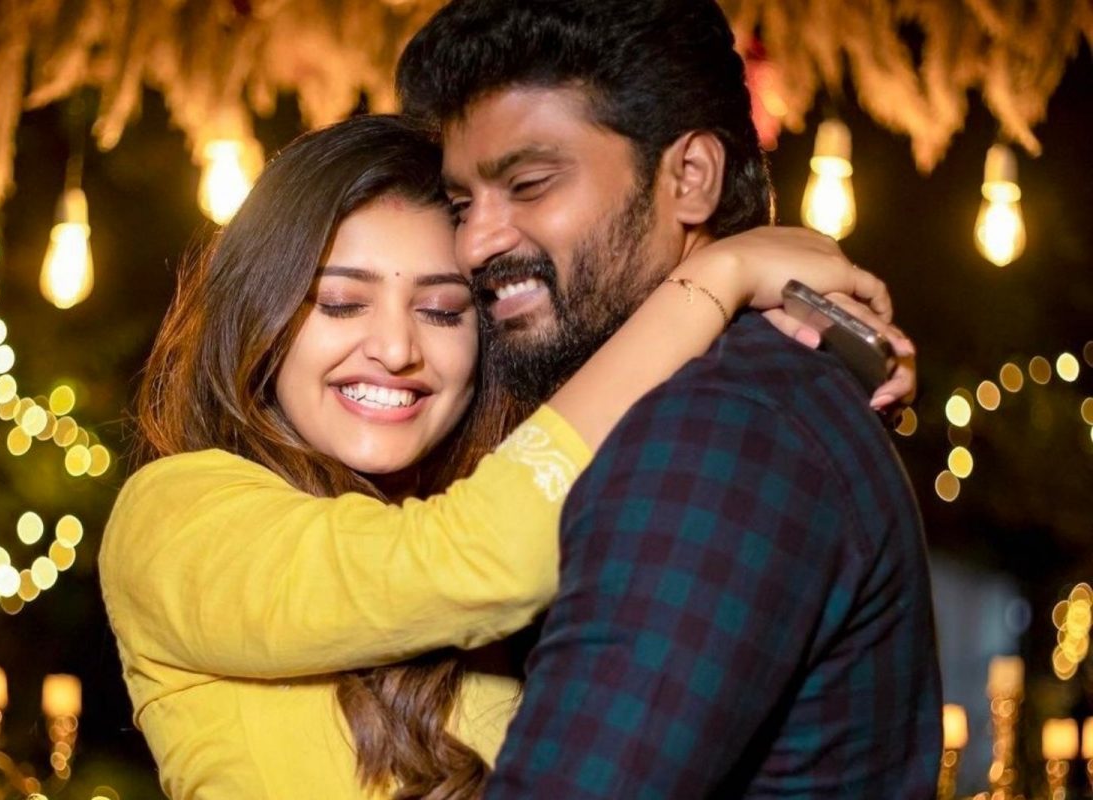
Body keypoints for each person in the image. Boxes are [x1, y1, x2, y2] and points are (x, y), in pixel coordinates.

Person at [99, 115, 911, 799]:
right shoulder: (171, 513)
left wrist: (784, 346)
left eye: (442, 311)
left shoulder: (501, 512)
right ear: (263, 318)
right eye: (342, 303)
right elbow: (477, 556)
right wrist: (718, 276)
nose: (396, 348)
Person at [394, 1, 941, 797]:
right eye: (461, 205)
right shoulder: (736, 392)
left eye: (529, 184)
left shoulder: (716, 428)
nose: (477, 242)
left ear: (689, 178)